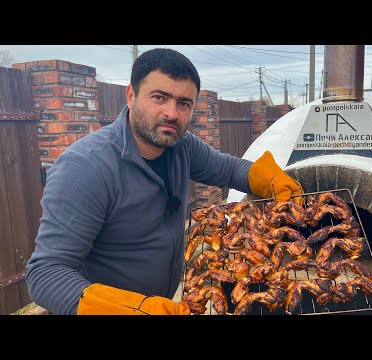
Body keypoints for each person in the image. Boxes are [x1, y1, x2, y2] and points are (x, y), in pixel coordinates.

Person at [26, 48, 303, 315]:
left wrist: (268, 178)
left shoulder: (181, 146)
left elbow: (230, 169)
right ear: (131, 96)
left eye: (184, 103)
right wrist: (130, 310)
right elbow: (46, 273)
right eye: (159, 97)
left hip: (165, 303)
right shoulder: (85, 167)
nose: (172, 113)